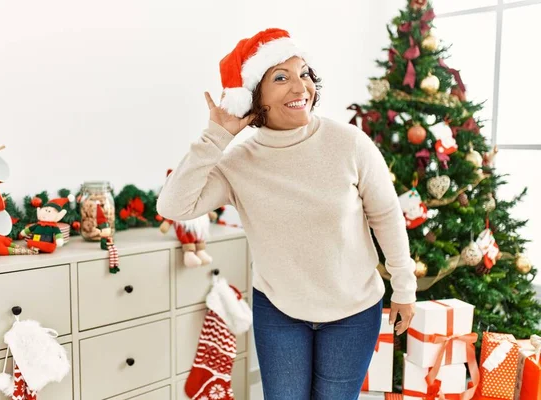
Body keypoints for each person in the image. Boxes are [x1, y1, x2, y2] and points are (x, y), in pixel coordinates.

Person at [157, 28, 417, 400]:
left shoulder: (349, 144)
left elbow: (386, 215)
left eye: (305, 73)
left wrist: (404, 288)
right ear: (252, 98)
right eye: (282, 77)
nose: (301, 87)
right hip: (280, 312)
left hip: (353, 311)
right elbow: (173, 205)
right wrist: (217, 136)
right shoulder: (239, 163)